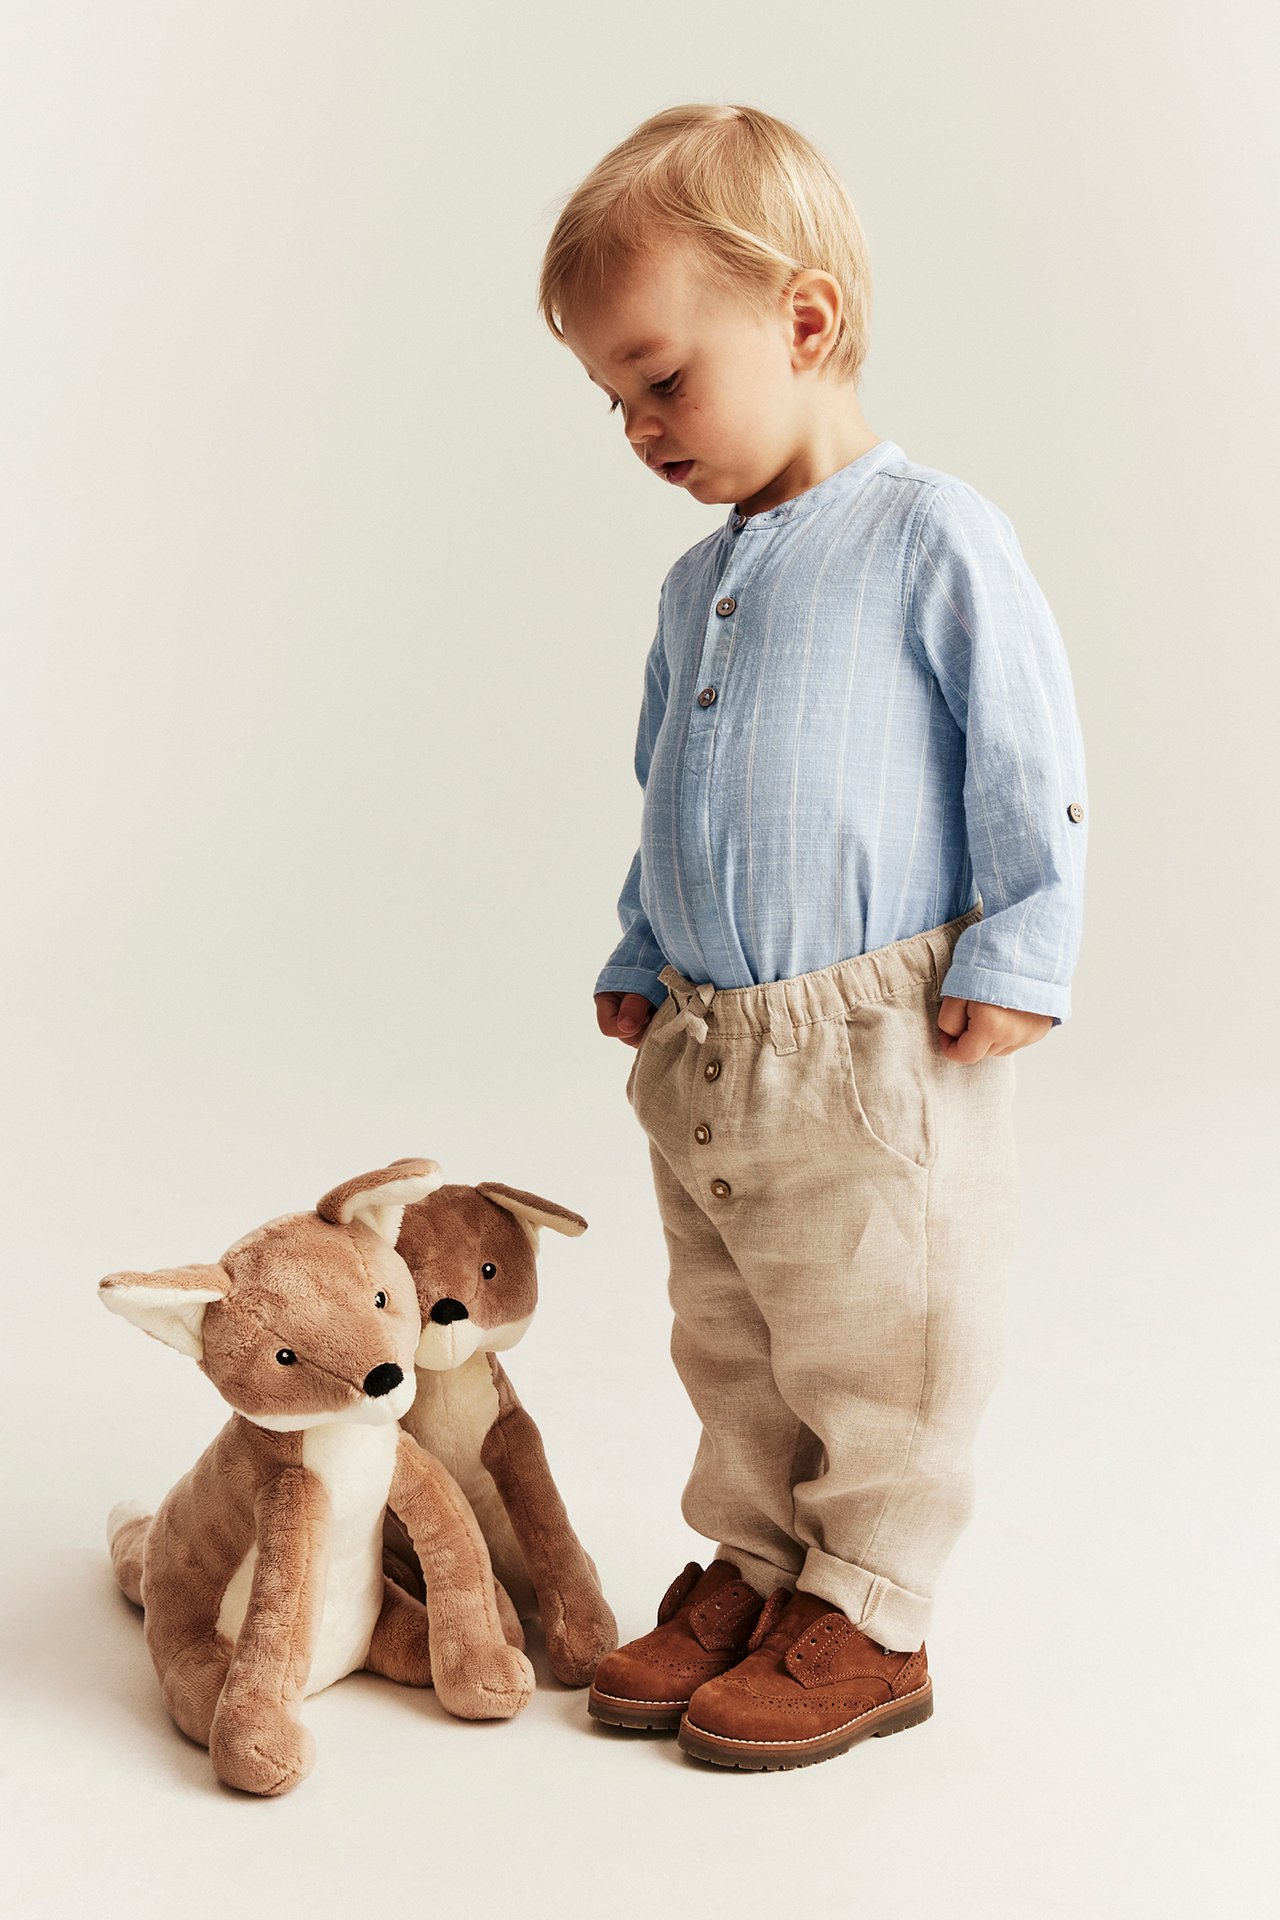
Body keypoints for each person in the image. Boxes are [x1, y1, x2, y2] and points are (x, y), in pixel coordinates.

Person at [536, 102, 1088, 1772]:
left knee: (883, 1328)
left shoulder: (931, 534)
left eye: (660, 378)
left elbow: (1026, 755)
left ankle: (872, 1601)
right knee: (734, 1330)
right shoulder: (690, 586)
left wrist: (1022, 944)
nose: (638, 426)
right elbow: (673, 788)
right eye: (613, 401)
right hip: (712, 1038)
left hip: (873, 1039)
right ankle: (759, 1560)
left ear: (803, 318)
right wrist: (640, 942)